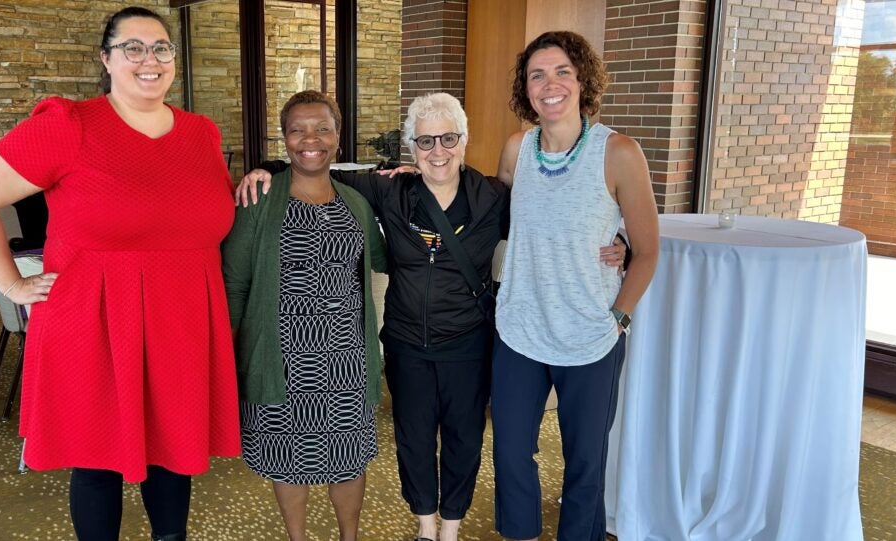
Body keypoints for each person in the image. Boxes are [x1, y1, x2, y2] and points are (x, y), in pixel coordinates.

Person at [237, 92, 626, 541]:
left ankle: (452, 528)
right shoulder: (387, 189)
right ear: (411, 147)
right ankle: (425, 527)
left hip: (468, 341)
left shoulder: (493, 197)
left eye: (448, 138)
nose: (437, 150)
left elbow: (552, 224)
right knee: (414, 440)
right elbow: (315, 166)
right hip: (406, 342)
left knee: (464, 439)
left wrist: (620, 241)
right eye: (425, 141)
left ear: (464, 140)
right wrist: (269, 169)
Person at [0, 7, 240, 540]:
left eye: (160, 48)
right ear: (106, 59)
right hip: (97, 320)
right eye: (132, 47)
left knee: (174, 453)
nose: (148, 60)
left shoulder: (201, 134)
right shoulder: (70, 125)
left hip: (182, 321)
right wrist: (11, 283)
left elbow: (209, 215)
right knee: (99, 461)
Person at [490, 31, 659, 541]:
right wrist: (423, 176)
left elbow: (648, 250)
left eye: (562, 70)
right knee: (511, 451)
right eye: (537, 74)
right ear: (526, 87)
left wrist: (619, 318)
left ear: (582, 78)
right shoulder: (517, 149)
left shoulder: (620, 152)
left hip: (591, 333)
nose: (550, 84)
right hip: (520, 325)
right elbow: (491, 220)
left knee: (585, 458)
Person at [222, 90, 387, 541]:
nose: (309, 139)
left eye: (322, 129)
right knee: (287, 458)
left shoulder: (356, 203)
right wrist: (233, 362)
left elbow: (380, 263)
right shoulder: (258, 199)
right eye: (297, 130)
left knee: (348, 457)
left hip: (346, 361)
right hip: (281, 358)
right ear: (284, 138)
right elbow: (234, 283)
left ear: (338, 137)